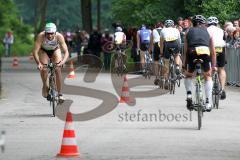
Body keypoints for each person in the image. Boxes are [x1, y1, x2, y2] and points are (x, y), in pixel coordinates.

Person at [183, 15, 217, 112]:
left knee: (188, 75)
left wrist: (184, 66)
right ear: (203, 24)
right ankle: (207, 102)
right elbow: (213, 52)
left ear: (192, 23)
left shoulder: (188, 32)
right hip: (205, 51)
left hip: (192, 51)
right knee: (208, 76)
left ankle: (189, 95)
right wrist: (214, 66)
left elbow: (185, 51)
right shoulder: (208, 32)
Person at [32, 22, 69, 101]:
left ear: (55, 33)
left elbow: (66, 52)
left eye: (52, 33)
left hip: (55, 50)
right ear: (45, 32)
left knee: (58, 69)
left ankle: (60, 94)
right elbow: (35, 51)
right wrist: (39, 63)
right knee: (44, 68)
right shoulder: (41, 36)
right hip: (43, 51)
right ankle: (45, 85)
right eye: (48, 33)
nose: (49, 35)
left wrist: (63, 61)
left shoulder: (59, 36)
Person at [207, 16, 227, 100]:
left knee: (209, 68)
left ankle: (210, 87)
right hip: (220, 49)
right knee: (221, 69)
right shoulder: (221, 30)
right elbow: (224, 40)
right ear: (217, 23)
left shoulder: (206, 30)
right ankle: (222, 89)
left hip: (210, 49)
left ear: (208, 23)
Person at [160, 19, 182, 88]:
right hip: (176, 43)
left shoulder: (163, 30)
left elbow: (161, 43)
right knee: (177, 55)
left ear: (165, 25)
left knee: (166, 62)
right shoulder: (176, 30)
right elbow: (180, 40)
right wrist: (179, 50)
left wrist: (161, 52)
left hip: (167, 44)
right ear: (172, 25)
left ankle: (166, 81)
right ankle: (177, 67)